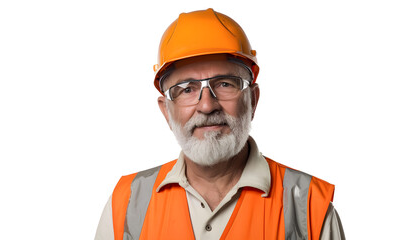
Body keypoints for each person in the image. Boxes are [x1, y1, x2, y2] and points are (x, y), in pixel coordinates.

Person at [95, 8, 345, 240]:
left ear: (253, 100)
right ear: (166, 111)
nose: (206, 105)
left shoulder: (310, 208)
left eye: (225, 83)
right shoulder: (126, 205)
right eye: (186, 89)